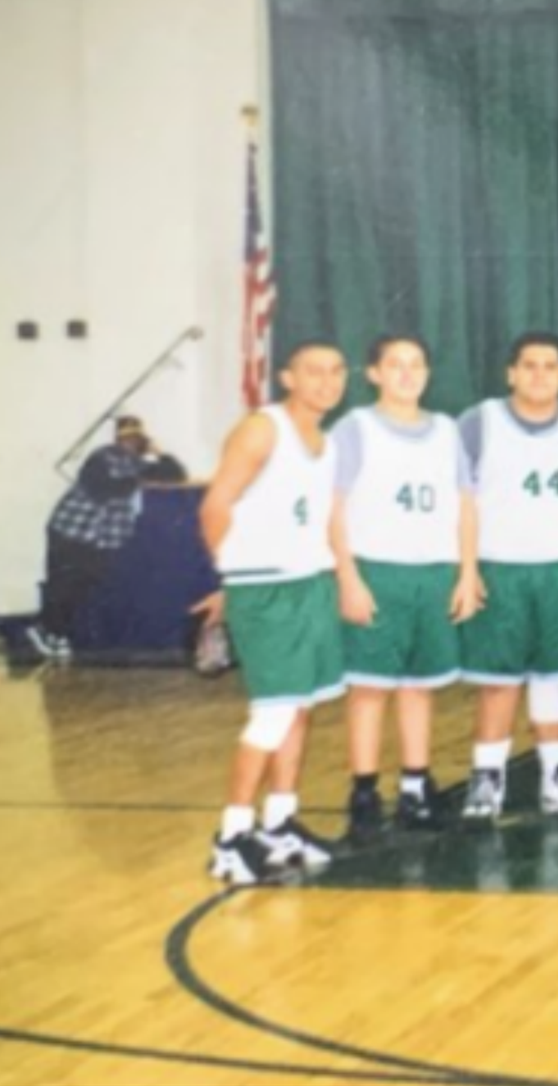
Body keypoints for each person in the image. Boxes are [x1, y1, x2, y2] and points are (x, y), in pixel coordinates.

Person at [193, 339, 348, 884]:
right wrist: (231, 578)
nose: (327, 382)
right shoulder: (263, 428)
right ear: (288, 377)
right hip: (266, 591)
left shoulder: (325, 443)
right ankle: (231, 837)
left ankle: (279, 824)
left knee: (298, 708)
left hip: (310, 584)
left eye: (335, 372)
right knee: (273, 714)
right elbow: (215, 505)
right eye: (314, 372)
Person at [456, 332, 558, 823]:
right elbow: (459, 503)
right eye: (529, 365)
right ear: (511, 373)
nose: (540, 374)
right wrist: (467, 570)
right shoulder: (478, 422)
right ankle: (488, 778)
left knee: (555, 678)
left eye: (551, 366)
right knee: (499, 681)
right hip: (499, 568)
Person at [329, 335, 480, 840]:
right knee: (369, 689)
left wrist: (467, 571)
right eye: (395, 364)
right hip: (377, 571)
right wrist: (347, 576)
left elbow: (464, 505)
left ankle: (415, 786)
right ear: (373, 373)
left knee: (420, 687)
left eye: (417, 364)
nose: (407, 373)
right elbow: (333, 509)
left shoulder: (445, 430)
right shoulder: (356, 429)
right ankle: (365, 794)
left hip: (433, 571)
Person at [30, 415, 184, 659]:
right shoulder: (102, 457)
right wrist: (140, 478)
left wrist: (157, 451)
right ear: (117, 439)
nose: (131, 443)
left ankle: (56, 633)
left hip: (98, 538)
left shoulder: (138, 464)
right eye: (127, 438)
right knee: (65, 583)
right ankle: (46, 631)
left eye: (136, 438)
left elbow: (175, 473)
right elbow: (104, 488)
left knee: (84, 584)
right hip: (72, 530)